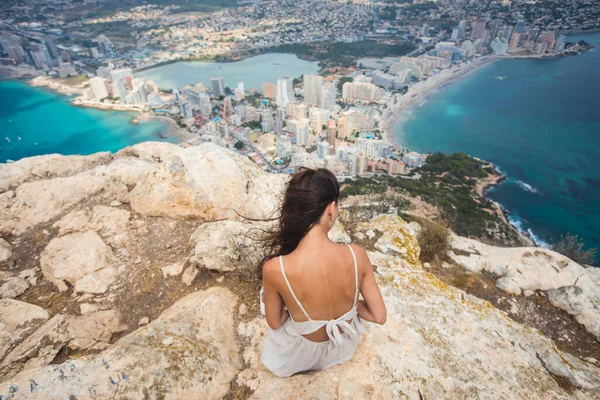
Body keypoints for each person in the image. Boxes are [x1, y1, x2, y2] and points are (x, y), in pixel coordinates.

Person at [260, 167, 387, 378]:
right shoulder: (357, 255)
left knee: (268, 295)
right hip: (341, 349)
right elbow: (379, 315)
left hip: (299, 356)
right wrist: (348, 300)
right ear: (331, 209)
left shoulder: (275, 268)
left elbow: (275, 322)